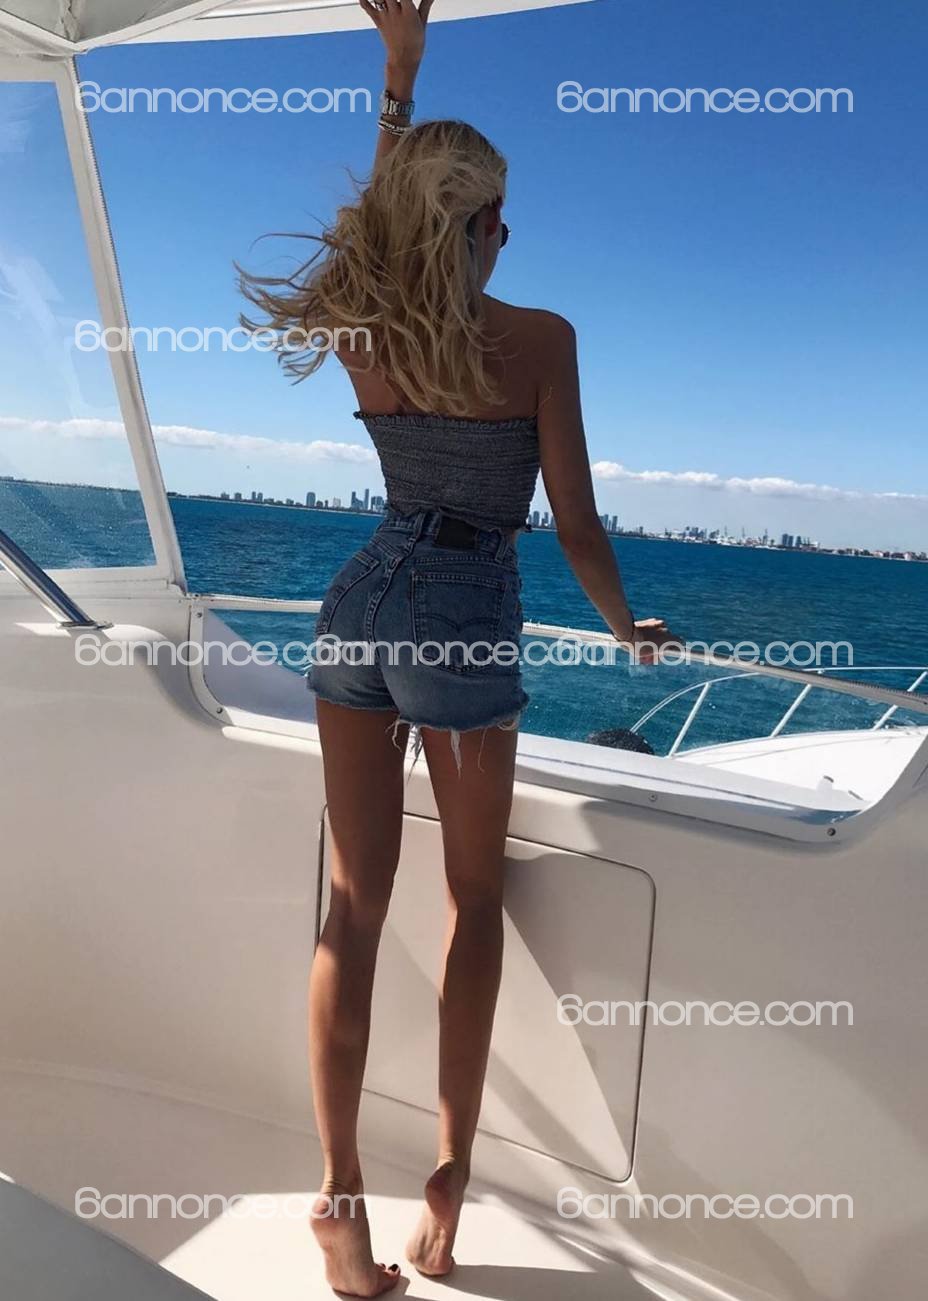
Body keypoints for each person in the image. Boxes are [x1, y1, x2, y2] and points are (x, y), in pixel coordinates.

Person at [240, 2, 676, 1293]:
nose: (507, 234)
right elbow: (577, 524)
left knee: (351, 908)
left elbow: (374, 228)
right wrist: (624, 625)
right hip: (465, 613)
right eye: (498, 214)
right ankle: (447, 1177)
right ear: (479, 225)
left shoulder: (364, 325)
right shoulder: (540, 340)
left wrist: (400, 78)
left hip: (359, 597)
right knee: (472, 902)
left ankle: (337, 1197)